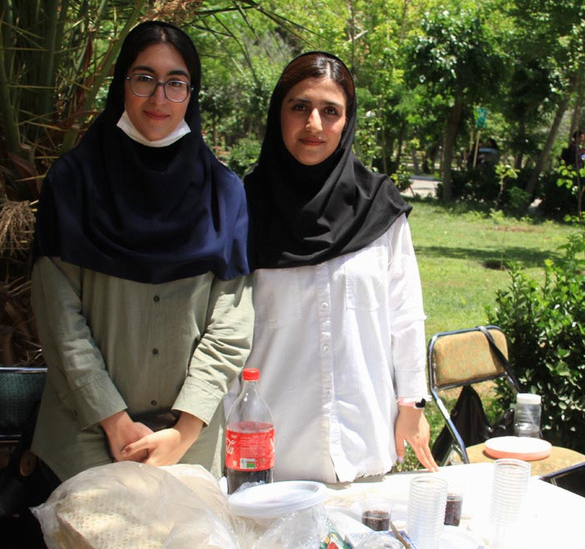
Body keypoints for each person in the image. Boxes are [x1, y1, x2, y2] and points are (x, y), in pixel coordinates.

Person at [30, 21, 253, 483]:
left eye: (176, 83)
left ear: (191, 94)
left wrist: (184, 429)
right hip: (87, 432)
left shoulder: (223, 192)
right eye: (144, 78)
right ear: (121, 84)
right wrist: (112, 419)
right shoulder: (73, 183)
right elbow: (59, 318)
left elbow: (231, 322)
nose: (158, 98)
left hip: (188, 438)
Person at [241, 52, 436, 484]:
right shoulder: (243, 207)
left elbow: (405, 314)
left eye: (330, 111)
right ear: (278, 114)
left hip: (362, 445)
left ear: (347, 121)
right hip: (272, 451)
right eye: (299, 107)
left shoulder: (379, 207)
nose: (314, 124)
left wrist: (411, 404)